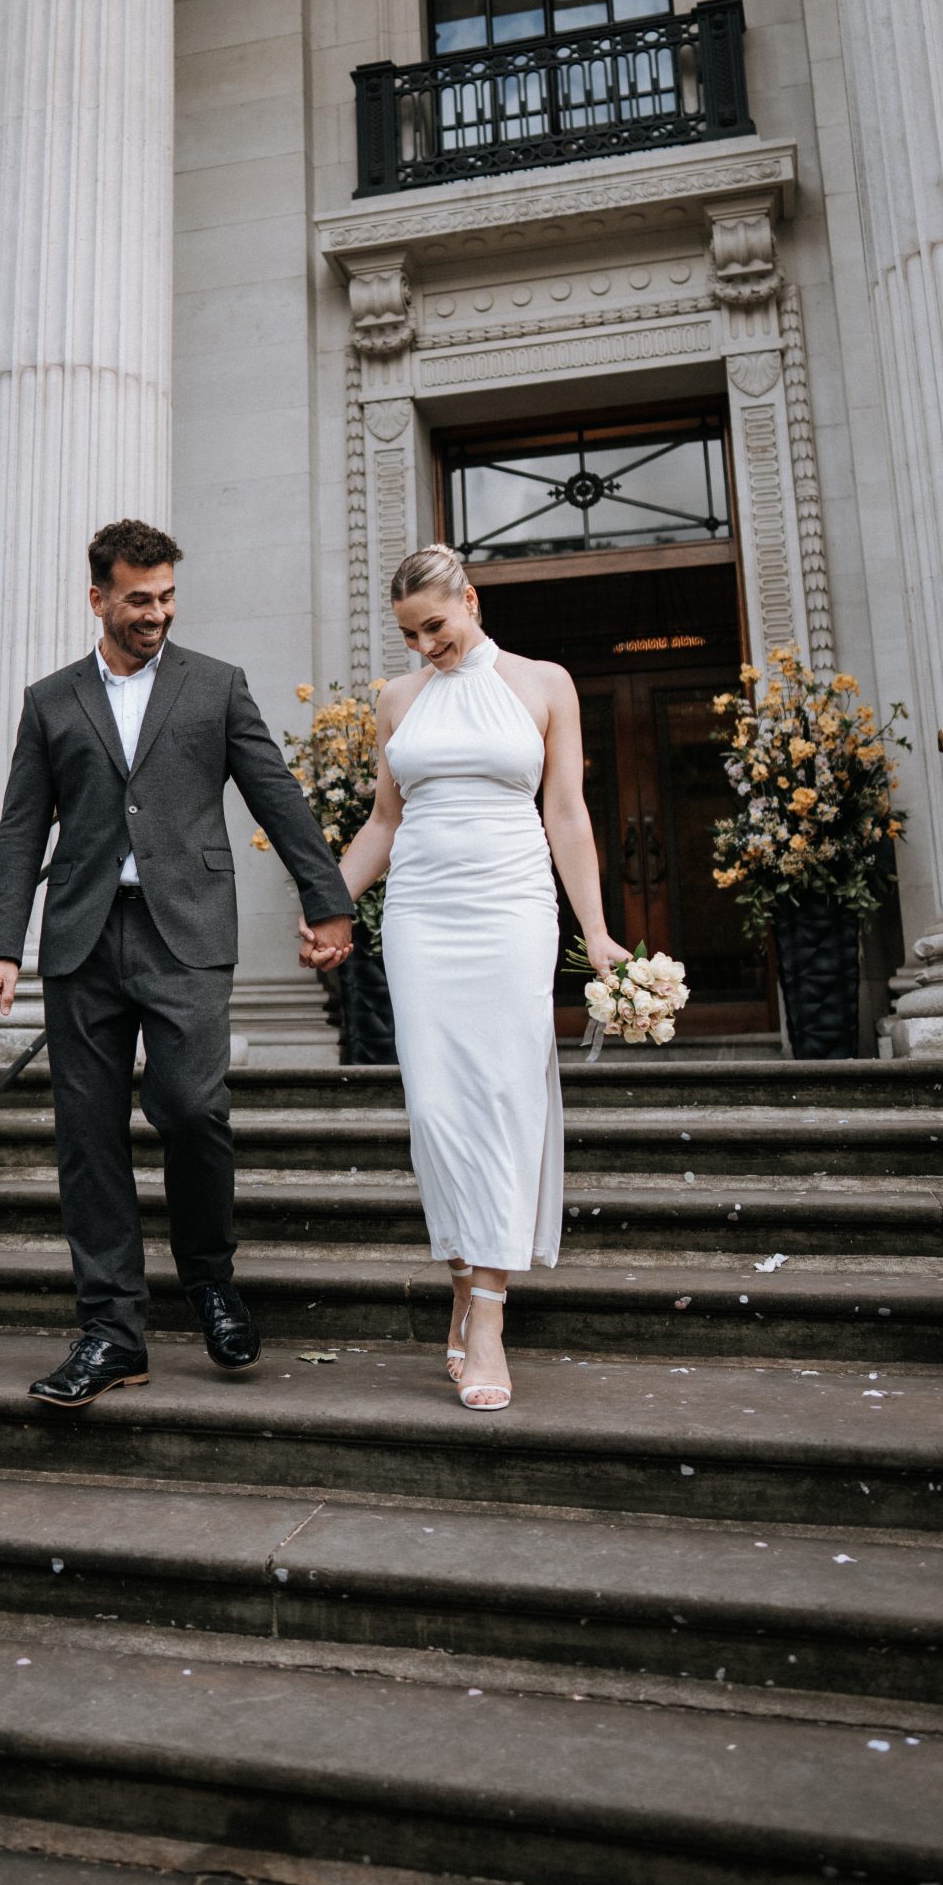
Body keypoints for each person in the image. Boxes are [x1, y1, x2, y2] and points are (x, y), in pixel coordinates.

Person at [0, 518, 355, 1408]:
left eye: (167, 597)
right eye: (139, 599)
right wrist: (0, 946)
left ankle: (210, 1280)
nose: (156, 614)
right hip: (81, 937)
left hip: (185, 929)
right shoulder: (50, 700)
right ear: (98, 598)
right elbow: (22, 828)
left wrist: (326, 898)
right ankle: (111, 1332)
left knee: (190, 1107)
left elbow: (275, 791)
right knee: (88, 1137)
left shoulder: (215, 686)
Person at [332, 543, 627, 1412]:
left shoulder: (543, 683)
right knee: (434, 1107)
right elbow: (384, 820)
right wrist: (328, 906)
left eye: (436, 625)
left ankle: (488, 1310)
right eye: (409, 634)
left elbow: (565, 812)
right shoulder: (396, 699)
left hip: (510, 909)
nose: (425, 645)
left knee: (503, 1097)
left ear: (470, 599)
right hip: (421, 913)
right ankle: (464, 1272)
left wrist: (598, 933)